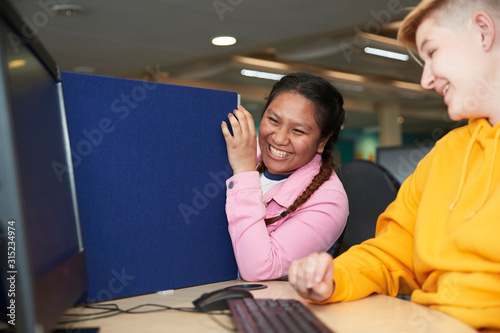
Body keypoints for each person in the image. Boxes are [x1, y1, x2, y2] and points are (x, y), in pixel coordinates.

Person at [288, 0, 500, 330]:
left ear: (483, 31)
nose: (426, 80)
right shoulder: (445, 155)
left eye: (432, 52)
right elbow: (390, 254)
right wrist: (334, 277)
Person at [221, 72, 348, 281]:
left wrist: (244, 172)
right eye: (273, 120)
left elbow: (260, 270)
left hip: (267, 306)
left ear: (322, 141)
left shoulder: (329, 200)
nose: (279, 138)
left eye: (298, 131)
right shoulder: (244, 154)